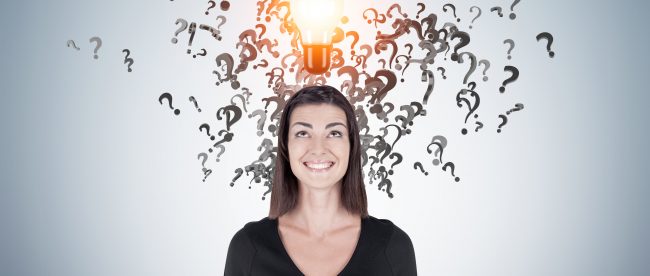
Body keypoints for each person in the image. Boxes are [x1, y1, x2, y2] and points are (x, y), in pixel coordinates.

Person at [224, 85, 417, 276]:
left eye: (334, 133)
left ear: (351, 146)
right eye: (302, 133)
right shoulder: (248, 248)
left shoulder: (393, 247)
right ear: (285, 146)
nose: (318, 148)